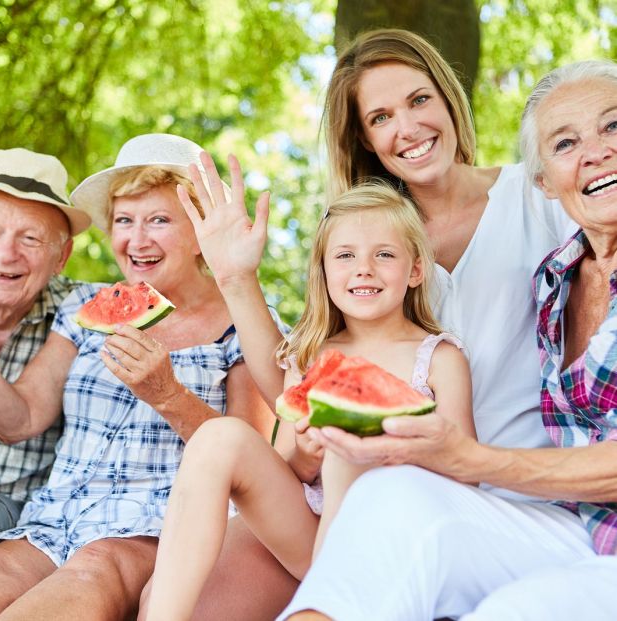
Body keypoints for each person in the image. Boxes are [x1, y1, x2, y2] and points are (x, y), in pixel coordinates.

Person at [138, 28, 577, 619]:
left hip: (491, 489)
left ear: (449, 100)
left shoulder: (542, 194)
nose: (408, 128)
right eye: (381, 116)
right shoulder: (365, 240)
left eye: (420, 100)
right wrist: (236, 278)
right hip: (342, 496)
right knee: (187, 601)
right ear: (365, 139)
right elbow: (298, 393)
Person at [279, 60, 617, 621]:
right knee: (388, 497)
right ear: (545, 183)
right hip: (574, 525)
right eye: (565, 143)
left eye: (614, 126)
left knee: (510, 610)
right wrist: (238, 280)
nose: (596, 152)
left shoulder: (528, 232)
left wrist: (472, 456)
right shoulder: (556, 278)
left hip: (568, 525)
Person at [144, 179, 475, 621]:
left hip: (390, 541)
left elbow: (467, 475)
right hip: (306, 536)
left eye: (385, 254)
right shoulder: (310, 356)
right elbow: (289, 468)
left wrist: (387, 449)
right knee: (218, 437)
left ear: (415, 270)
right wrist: (304, 452)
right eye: (345, 255)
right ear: (323, 271)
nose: (364, 268)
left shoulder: (440, 357)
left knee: (347, 454)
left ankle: (327, 605)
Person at [0, 133, 279, 621]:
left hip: (153, 529)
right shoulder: (82, 309)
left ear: (199, 231)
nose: (137, 239)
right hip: (49, 521)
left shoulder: (246, 322)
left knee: (94, 567)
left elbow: (250, 459)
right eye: (124, 221)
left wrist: (168, 395)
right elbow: (21, 418)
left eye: (159, 220)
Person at [0, 147, 91, 531]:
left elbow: (17, 425)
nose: (6, 255)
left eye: (31, 238)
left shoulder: (80, 311)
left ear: (62, 256)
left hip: (13, 503)